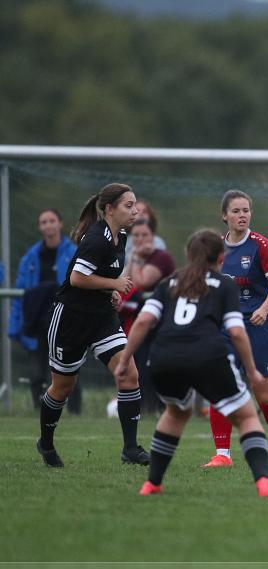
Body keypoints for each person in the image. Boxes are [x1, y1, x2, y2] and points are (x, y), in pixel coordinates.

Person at [115, 230, 268, 497]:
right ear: (221, 257)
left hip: (164, 357)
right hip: (206, 356)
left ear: (188, 255)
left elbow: (144, 321)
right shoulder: (224, 285)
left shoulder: (169, 282)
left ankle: (152, 483)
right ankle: (264, 483)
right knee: (247, 416)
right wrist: (251, 370)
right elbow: (236, 331)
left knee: (175, 413)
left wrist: (124, 360)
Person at [35, 183, 149, 467]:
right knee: (62, 388)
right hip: (71, 320)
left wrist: (109, 291)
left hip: (101, 318)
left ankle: (130, 449)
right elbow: (77, 278)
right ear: (110, 209)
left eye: (135, 205)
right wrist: (114, 283)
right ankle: (46, 444)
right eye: (128, 206)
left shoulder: (120, 236)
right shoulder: (97, 239)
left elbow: (99, 274)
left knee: (129, 374)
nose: (135, 211)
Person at [204, 190, 268, 468]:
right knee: (220, 386)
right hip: (225, 328)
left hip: (257, 325)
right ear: (224, 216)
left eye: (246, 210)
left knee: (264, 393)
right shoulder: (215, 248)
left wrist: (264, 309)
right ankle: (222, 455)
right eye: (236, 211)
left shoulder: (260, 245)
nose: (242, 215)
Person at [9, 209, 82, 412]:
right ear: (39, 227)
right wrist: (15, 325)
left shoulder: (73, 252)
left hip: (66, 319)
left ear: (60, 223)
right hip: (38, 321)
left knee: (70, 368)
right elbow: (20, 293)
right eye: (43, 222)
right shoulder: (30, 257)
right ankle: (39, 410)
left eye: (52, 220)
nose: (48, 225)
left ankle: (75, 412)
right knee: (37, 371)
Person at [119, 218, 176, 413]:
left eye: (145, 235)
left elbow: (142, 282)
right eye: (136, 235)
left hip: (161, 320)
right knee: (139, 361)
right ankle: (145, 406)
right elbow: (124, 284)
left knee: (157, 362)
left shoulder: (161, 257)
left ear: (153, 237)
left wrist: (134, 257)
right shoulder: (135, 259)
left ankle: (162, 405)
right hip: (140, 319)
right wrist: (134, 259)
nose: (140, 239)